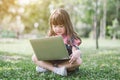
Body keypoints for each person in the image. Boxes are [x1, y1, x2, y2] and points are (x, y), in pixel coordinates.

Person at [32, 8, 82, 76]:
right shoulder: (51, 36)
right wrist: (40, 52)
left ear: (67, 25)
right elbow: (45, 50)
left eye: (61, 26)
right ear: (51, 25)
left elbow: (75, 49)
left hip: (66, 62)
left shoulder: (70, 37)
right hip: (53, 60)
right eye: (55, 26)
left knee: (78, 61)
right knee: (34, 57)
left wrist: (76, 53)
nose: (58, 29)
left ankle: (48, 68)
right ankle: (55, 69)